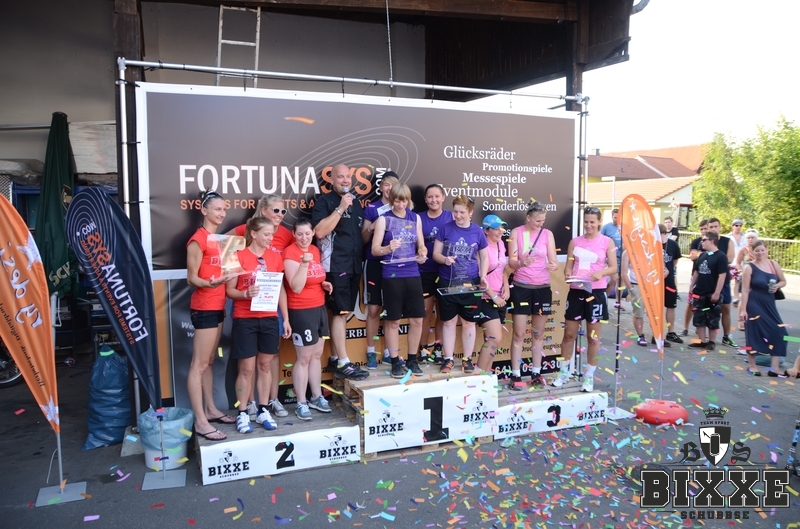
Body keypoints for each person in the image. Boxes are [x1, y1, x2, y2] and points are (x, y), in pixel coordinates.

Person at [230, 194, 292, 419]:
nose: (271, 238)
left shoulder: (276, 255)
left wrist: (285, 318)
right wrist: (245, 292)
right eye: (267, 235)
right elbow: (230, 290)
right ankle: (245, 409)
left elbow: (281, 288)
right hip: (244, 316)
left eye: (283, 211)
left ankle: (266, 407)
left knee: (266, 363)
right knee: (246, 367)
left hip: (269, 315)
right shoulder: (238, 253)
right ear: (254, 233)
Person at [311, 164, 369, 380]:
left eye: (347, 177)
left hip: (354, 264)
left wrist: (372, 230)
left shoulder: (356, 203)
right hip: (335, 265)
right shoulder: (325, 202)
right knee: (340, 312)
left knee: (342, 312)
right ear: (332, 180)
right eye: (340, 177)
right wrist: (340, 208)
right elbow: (319, 232)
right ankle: (344, 362)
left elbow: (359, 236)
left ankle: (335, 358)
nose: (345, 180)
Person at [186, 190, 235, 441]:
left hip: (218, 307)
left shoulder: (221, 240)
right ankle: (201, 422)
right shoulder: (198, 239)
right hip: (204, 307)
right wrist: (210, 283)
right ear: (204, 210)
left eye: (224, 209)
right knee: (199, 365)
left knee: (210, 361)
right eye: (217, 209)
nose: (222, 213)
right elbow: (191, 278)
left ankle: (211, 410)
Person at [552, 207, 617, 392]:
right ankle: (563, 372)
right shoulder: (575, 242)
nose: (588, 225)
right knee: (569, 335)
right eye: (586, 222)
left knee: (593, 338)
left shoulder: (607, 242)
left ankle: (589, 376)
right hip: (576, 291)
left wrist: (601, 272)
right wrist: (567, 274)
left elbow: (613, 267)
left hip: (596, 293)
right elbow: (569, 266)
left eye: (592, 222)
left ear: (599, 222)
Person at [370, 183, 428, 378]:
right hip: (392, 274)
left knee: (417, 319)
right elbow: (374, 250)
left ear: (408, 201)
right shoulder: (383, 220)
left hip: (412, 272)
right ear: (391, 200)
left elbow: (421, 245)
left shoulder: (415, 218)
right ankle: (395, 361)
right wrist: (388, 248)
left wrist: (422, 254)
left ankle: (412, 359)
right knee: (393, 321)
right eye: (397, 201)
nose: (400, 205)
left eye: (404, 201)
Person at [283, 218, 334, 420]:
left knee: (316, 355)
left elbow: (314, 277)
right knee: (303, 358)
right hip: (301, 309)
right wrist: (304, 263)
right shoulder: (290, 253)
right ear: (294, 235)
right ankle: (301, 402)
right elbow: (296, 286)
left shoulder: (314, 249)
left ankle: (316, 396)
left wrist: (323, 284)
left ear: (313, 233)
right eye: (300, 234)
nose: (304, 238)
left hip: (319, 307)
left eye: (307, 233)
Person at [432, 195, 488, 374]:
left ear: (470, 212)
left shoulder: (477, 231)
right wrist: (445, 259)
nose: (458, 216)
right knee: (448, 322)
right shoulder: (445, 228)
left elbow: (484, 256)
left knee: (468, 322)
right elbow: (436, 254)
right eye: (455, 212)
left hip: (470, 283)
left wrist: (483, 275)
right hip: (448, 282)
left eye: (462, 212)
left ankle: (467, 359)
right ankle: (448, 358)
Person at [507, 202, 558, 390]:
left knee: (538, 333)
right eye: (538, 220)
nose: (540, 224)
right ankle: (516, 374)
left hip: (542, 288)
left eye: (543, 220)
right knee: (519, 333)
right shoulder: (516, 233)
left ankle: (536, 372)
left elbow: (554, 261)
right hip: (521, 287)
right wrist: (521, 263)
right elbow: (511, 262)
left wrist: (553, 265)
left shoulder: (547, 234)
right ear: (528, 217)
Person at [360, 172, 400, 369]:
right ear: (381, 187)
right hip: (375, 262)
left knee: (391, 309)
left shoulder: (403, 208)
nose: (389, 188)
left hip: (396, 265)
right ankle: (371, 351)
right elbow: (363, 240)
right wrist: (372, 227)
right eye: (386, 184)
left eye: (393, 184)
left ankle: (388, 352)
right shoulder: (372, 208)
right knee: (374, 309)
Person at [738, 239, 788, 376]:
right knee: (753, 332)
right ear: (752, 252)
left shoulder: (773, 264)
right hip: (754, 302)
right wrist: (743, 310)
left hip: (769, 303)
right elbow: (745, 290)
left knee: (780, 332)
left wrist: (778, 285)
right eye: (757, 250)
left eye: (762, 250)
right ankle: (752, 366)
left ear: (766, 250)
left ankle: (774, 368)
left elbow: (783, 281)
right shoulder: (749, 267)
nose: (760, 253)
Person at [469, 214, 511, 374]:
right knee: (494, 338)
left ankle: (485, 375)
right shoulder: (482, 248)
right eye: (496, 228)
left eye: (502, 228)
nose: (500, 231)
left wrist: (506, 286)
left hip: (500, 298)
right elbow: (481, 277)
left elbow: (502, 269)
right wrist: (494, 296)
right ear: (486, 231)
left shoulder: (501, 244)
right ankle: (478, 374)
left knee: (492, 340)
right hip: (485, 298)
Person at [418, 184, 453, 365]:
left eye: (437, 196)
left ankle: (438, 348)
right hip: (424, 272)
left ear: (443, 197)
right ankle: (423, 348)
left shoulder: (451, 217)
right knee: (425, 313)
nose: (434, 200)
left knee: (442, 313)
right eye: (430, 197)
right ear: (425, 199)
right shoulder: (418, 218)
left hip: (446, 272)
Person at [687, 230, 727, 351]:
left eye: (704, 240)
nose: (702, 242)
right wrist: (692, 286)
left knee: (713, 318)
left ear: (712, 241)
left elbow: (722, 276)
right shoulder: (703, 255)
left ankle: (711, 341)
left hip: (712, 292)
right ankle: (702, 341)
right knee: (699, 317)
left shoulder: (721, 256)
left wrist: (717, 292)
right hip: (699, 292)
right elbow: (697, 272)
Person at [706, 218, 737, 347]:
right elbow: (699, 257)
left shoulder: (727, 241)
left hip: (723, 278)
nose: (713, 229)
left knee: (726, 307)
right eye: (711, 227)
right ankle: (707, 337)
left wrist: (714, 259)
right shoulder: (705, 241)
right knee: (707, 308)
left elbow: (729, 258)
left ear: (720, 227)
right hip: (708, 279)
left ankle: (726, 336)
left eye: (715, 226)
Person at [681, 219, 708, 336]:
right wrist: (704, 254)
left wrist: (699, 255)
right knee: (691, 302)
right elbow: (692, 257)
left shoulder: (713, 241)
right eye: (701, 229)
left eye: (705, 228)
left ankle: (700, 328)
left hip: (709, 277)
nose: (703, 231)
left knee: (705, 304)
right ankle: (685, 327)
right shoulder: (696, 242)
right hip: (696, 275)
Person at [661, 223, 683, 344]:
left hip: (669, 280)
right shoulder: (652, 245)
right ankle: (658, 333)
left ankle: (671, 332)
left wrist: (667, 270)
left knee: (670, 306)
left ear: (663, 233)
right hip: (656, 282)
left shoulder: (672, 244)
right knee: (658, 307)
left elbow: (675, 261)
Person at [733, 229, 759, 332]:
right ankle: (740, 320)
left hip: (757, 275)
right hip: (746, 275)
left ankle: (755, 319)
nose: (750, 239)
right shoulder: (743, 249)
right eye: (748, 237)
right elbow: (738, 262)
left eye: (753, 237)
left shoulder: (759, 249)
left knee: (756, 298)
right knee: (743, 298)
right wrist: (740, 271)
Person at [600, 208, 624, 308]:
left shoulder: (625, 227)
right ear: (611, 217)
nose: (617, 219)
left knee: (621, 280)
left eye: (619, 217)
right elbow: (600, 241)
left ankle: (618, 302)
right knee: (614, 279)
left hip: (623, 256)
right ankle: (604, 298)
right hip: (612, 257)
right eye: (615, 217)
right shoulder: (606, 227)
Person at [727, 219, 745, 306]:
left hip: (741, 263)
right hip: (731, 262)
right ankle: (726, 296)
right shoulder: (728, 237)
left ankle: (736, 298)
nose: (738, 227)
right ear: (732, 226)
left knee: (738, 281)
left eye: (740, 225)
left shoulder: (745, 237)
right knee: (727, 280)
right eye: (736, 225)